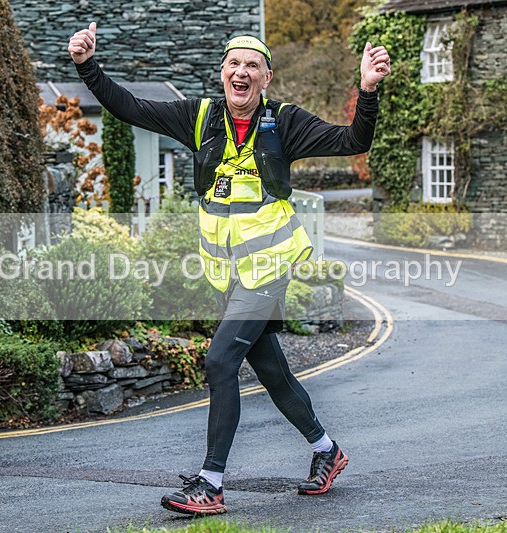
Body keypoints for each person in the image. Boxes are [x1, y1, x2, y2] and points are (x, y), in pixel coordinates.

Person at [68, 23, 390, 515]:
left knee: (220, 361)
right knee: (271, 370)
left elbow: (353, 140)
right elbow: (129, 107)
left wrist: (366, 91)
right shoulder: (199, 118)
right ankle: (327, 451)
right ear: (223, 73)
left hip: (270, 266)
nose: (241, 72)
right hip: (230, 274)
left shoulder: (284, 123)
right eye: (233, 64)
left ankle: (211, 483)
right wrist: (88, 67)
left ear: (266, 77)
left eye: (252, 66)